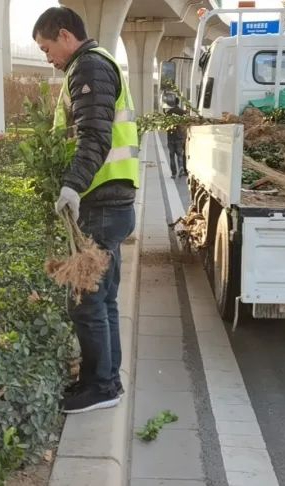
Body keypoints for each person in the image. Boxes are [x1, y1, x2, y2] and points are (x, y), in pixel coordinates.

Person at [33, 7, 139, 414]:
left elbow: (94, 135)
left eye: (46, 48)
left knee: (86, 301)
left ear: (64, 36)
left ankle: (101, 387)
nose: (47, 57)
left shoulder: (89, 68)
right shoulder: (100, 64)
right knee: (104, 299)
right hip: (114, 201)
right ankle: (106, 380)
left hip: (98, 201)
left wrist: (72, 185)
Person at [164, 94, 187, 178]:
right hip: (179, 136)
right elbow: (185, 124)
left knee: (172, 155)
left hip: (171, 137)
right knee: (180, 154)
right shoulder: (182, 112)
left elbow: (165, 125)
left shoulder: (169, 113)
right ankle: (181, 167)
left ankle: (174, 173)